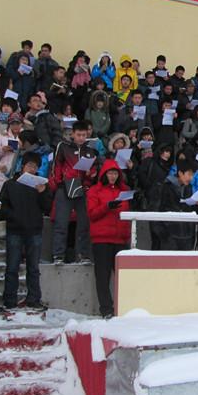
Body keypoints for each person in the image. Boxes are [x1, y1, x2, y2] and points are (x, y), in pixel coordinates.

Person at [0, 153, 51, 311]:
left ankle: (34, 298)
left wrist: (42, 193)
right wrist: (13, 217)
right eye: (30, 165)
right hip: (15, 230)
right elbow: (3, 207)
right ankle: (9, 300)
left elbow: (47, 207)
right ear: (23, 166)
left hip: (34, 230)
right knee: (12, 267)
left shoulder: (41, 185)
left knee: (33, 268)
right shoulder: (10, 184)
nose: (32, 169)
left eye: (35, 166)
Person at [85, 160, 131, 318]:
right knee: (103, 278)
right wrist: (107, 207)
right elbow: (92, 214)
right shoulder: (94, 191)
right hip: (102, 240)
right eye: (110, 173)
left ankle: (123, 307)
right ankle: (106, 309)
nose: (113, 176)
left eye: (115, 173)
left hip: (120, 239)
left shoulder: (124, 191)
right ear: (104, 174)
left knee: (123, 278)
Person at [49, 121, 98, 264]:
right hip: (65, 187)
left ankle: (83, 255)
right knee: (61, 223)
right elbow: (56, 166)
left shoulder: (90, 150)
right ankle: (58, 255)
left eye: (84, 135)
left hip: (82, 188)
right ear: (73, 134)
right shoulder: (63, 147)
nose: (81, 138)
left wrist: (90, 174)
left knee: (84, 224)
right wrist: (59, 183)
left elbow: (94, 170)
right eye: (79, 135)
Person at [147, 159, 198, 251]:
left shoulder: (188, 188)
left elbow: (190, 210)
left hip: (186, 238)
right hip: (168, 238)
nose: (191, 178)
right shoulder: (162, 187)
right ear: (180, 173)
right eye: (189, 174)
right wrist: (163, 235)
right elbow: (154, 211)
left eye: (193, 175)